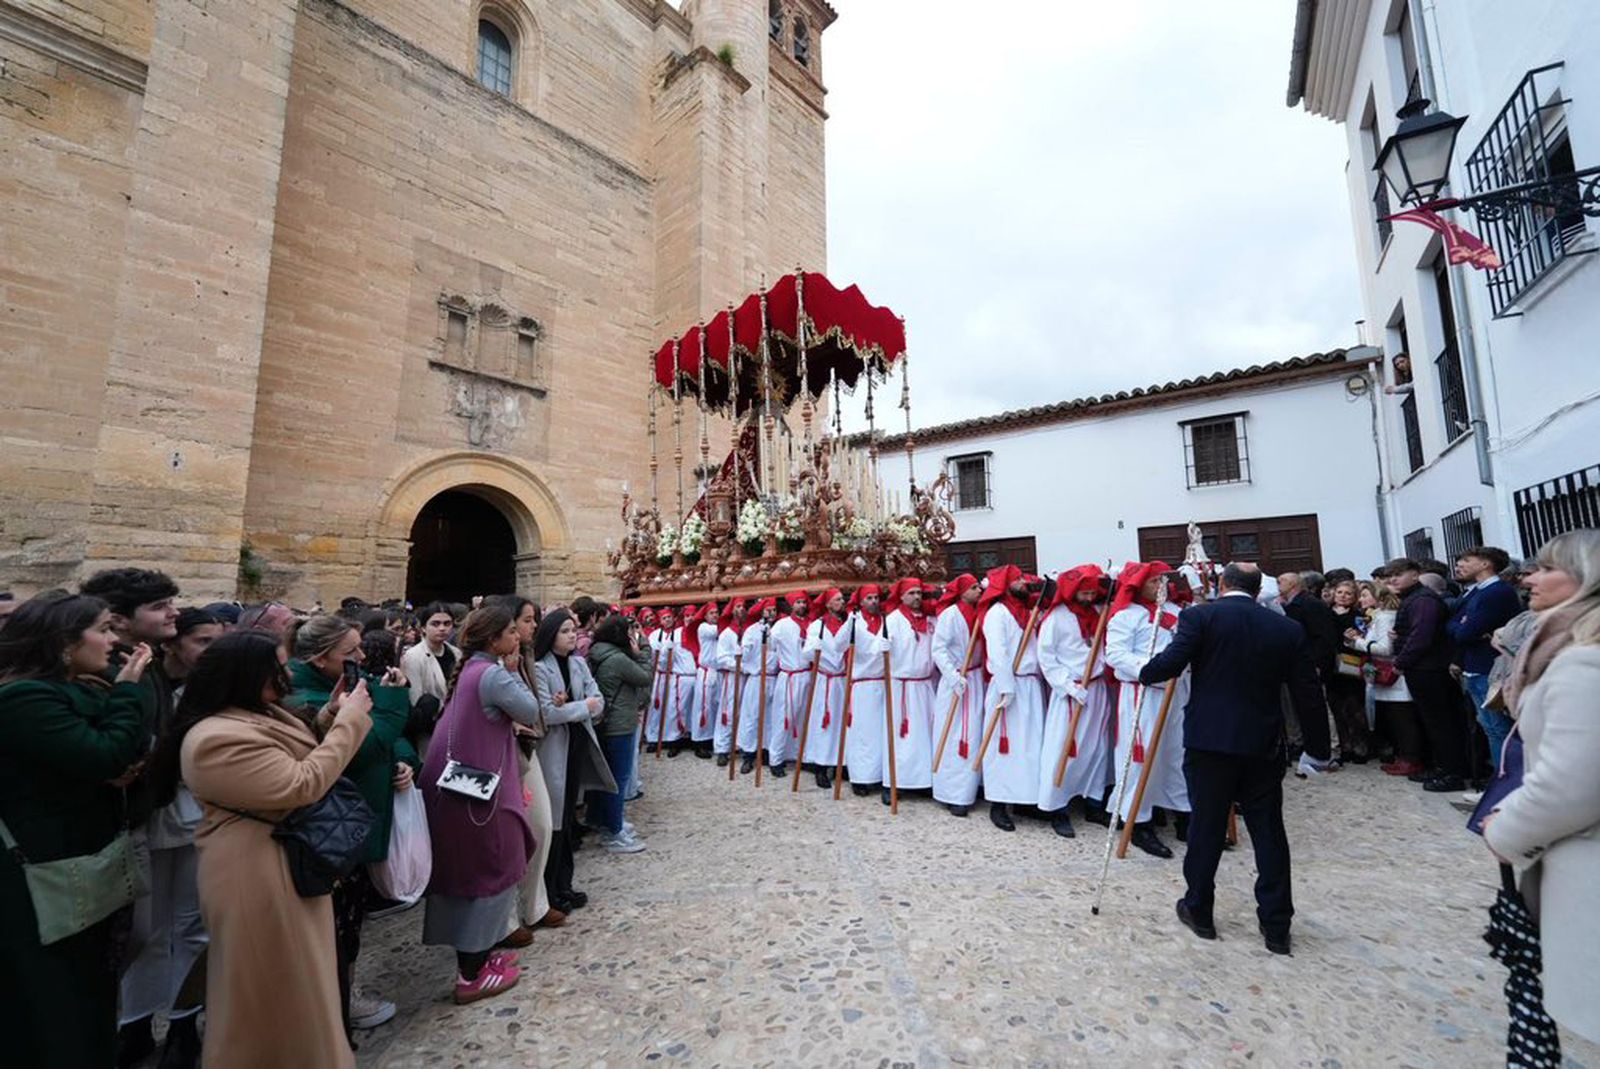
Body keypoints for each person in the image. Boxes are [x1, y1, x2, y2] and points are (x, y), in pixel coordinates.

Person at [159, 628, 374, 1067]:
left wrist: (332, 715)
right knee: (273, 996)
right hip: (255, 873)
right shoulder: (215, 737)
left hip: (281, 861)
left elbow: (296, 754)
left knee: (300, 986)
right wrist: (352, 721)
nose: (285, 673)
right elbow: (300, 783)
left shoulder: (255, 713)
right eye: (276, 665)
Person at [1140, 563, 1324, 956]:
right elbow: (1307, 690)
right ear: (1259, 591)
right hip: (1263, 741)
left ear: (1221, 584)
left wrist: (1145, 671)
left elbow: (1170, 664)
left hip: (1210, 740)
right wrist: (1318, 749)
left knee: (1206, 826)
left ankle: (1199, 909)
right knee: (1269, 832)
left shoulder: (1200, 617)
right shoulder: (1286, 627)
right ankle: (1276, 926)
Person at [0, 592, 151, 1066]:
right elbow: (106, 754)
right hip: (44, 869)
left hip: (78, 860)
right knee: (56, 998)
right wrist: (128, 689)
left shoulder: (74, 687)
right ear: (65, 641)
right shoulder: (25, 697)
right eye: (104, 629)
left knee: (88, 989)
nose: (113, 639)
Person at [1482, 529, 1600, 1051]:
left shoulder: (1582, 661)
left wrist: (1506, 830)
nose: (1528, 578)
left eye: (1544, 568)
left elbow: (1571, 784)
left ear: (1584, 576)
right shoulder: (1563, 645)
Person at [287, 615, 418, 1034]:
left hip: (353, 816)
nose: (361, 657)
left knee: (349, 915)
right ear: (321, 657)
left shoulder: (342, 683)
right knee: (335, 921)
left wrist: (404, 760)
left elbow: (382, 736)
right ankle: (336, 1004)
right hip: (329, 828)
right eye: (351, 652)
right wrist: (394, 701)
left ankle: (344, 994)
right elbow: (366, 741)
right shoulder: (305, 696)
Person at [418, 606, 538, 1004]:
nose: (517, 636)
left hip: (460, 788)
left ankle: (479, 959)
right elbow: (530, 710)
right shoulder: (491, 674)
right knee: (491, 870)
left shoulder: (471, 671)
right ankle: (471, 974)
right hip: (479, 794)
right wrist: (514, 668)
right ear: (492, 641)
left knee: (470, 873)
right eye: (510, 631)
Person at [119, 607, 222, 1068]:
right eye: (202, 641)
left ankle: (184, 1022)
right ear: (172, 644)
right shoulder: (148, 686)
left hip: (197, 815)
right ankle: (136, 1024)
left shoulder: (211, 689)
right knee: (150, 929)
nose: (210, 651)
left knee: (193, 925)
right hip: (153, 815)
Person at [483, 595, 560, 942]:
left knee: (541, 826)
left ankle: (534, 905)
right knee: (512, 836)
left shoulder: (526, 656)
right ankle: (508, 918)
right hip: (505, 754)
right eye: (526, 621)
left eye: (533, 621)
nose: (532, 627)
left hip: (528, 748)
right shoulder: (495, 667)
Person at [530, 609, 615, 914]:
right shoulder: (540, 668)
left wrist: (580, 707)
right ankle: (549, 889)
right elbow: (548, 713)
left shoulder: (579, 663)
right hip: (554, 749)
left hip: (577, 745)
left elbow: (599, 699)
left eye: (573, 630)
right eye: (565, 630)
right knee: (554, 820)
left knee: (567, 819)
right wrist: (583, 707)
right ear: (551, 634)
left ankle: (564, 883)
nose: (571, 636)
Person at [1104, 562, 1189, 857]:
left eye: (1163, 581)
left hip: (1177, 694)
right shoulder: (1126, 617)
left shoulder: (1178, 614)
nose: (1161, 587)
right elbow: (1115, 654)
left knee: (1176, 754)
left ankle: (1182, 814)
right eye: (1154, 582)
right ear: (1138, 586)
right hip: (1143, 695)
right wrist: (1152, 669)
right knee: (1139, 759)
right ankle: (1137, 822)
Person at [1037, 566, 1114, 837]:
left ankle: (1093, 802)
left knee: (1097, 748)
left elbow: (1104, 646)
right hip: (1071, 692)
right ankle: (1056, 808)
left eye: (1093, 592)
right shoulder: (1056, 618)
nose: (1090, 596)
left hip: (1096, 689)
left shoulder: (1097, 613)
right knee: (1065, 748)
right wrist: (1066, 686)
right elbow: (1046, 657)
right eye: (1085, 591)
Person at [1385, 558, 1465, 791]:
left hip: (1429, 669)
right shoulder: (1414, 599)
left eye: (1398, 574)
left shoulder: (1423, 600)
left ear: (1415, 574)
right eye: (1391, 575)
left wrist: (1401, 661)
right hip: (1422, 668)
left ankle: (1452, 773)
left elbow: (1422, 637)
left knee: (1440, 722)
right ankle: (1442, 767)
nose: (1393, 579)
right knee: (1432, 721)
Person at [979, 566, 1046, 833]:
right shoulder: (997, 614)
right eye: (1017, 579)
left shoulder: (1028, 611)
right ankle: (998, 802)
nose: (1022, 582)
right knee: (1003, 746)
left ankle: (1026, 799)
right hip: (1009, 684)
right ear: (1005, 584)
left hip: (1029, 683)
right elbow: (997, 651)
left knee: (1029, 745)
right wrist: (1006, 687)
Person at [1448, 545, 1522, 773]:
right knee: (1490, 728)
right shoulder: (1477, 592)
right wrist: (1464, 626)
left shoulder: (1497, 592)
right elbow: (1453, 624)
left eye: (1467, 560)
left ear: (1485, 563)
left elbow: (1465, 631)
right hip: (1475, 666)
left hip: (1489, 668)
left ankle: (1506, 783)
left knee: (1498, 729)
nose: (1460, 564)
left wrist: (1466, 627)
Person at [586, 613, 654, 853]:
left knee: (606, 777)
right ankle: (613, 831)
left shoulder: (599, 652)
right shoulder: (617, 659)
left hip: (607, 722)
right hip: (619, 724)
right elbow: (644, 676)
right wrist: (643, 651)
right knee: (618, 778)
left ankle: (601, 820)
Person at [1345, 584, 1422, 775]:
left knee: (1402, 720)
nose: (1360, 600)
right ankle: (1404, 757)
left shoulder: (1385, 617)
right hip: (1384, 677)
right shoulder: (1377, 616)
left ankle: (1410, 758)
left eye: (1364, 595)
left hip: (1393, 677)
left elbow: (1385, 648)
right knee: (1394, 720)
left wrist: (1357, 642)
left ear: (1377, 597)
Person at [875, 578, 937, 805]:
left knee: (924, 736)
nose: (917, 597)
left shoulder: (931, 620)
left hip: (924, 685)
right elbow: (877, 650)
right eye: (911, 593)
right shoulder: (892, 620)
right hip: (901, 687)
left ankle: (921, 781)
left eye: (919, 593)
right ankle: (893, 782)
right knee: (900, 737)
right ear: (901, 596)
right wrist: (881, 648)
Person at [930, 576, 985, 816]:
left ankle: (973, 787)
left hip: (975, 678)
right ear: (962, 592)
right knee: (954, 736)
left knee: (975, 733)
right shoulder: (950, 615)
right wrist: (953, 677)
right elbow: (938, 649)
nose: (978, 590)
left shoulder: (982, 612)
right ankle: (953, 793)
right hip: (956, 681)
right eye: (973, 588)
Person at [1276, 570, 1339, 774]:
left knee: (1314, 709)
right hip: (1298, 665)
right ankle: (1309, 748)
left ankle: (1320, 752)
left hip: (1310, 665)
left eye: (1282, 581)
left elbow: (1323, 637)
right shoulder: (1294, 604)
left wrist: (1318, 663)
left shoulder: (1310, 605)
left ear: (1294, 585)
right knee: (1303, 709)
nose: (1277, 584)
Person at [801, 589, 850, 790]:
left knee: (844, 723)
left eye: (842, 599)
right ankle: (820, 766)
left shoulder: (849, 623)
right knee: (824, 723)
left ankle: (843, 763)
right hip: (826, 681)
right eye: (838, 599)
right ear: (828, 604)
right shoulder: (817, 626)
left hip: (844, 680)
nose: (842, 602)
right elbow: (807, 652)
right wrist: (815, 649)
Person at [399, 601, 460, 761]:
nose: (442, 628)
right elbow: (415, 698)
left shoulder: (456, 653)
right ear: (424, 628)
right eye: (435, 624)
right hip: (429, 726)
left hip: (456, 724)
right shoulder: (414, 656)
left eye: (447, 624)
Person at [843, 586, 887, 795]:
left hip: (882, 682)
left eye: (876, 598)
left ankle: (878, 775)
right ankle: (860, 777)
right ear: (860, 601)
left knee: (880, 733)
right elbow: (838, 645)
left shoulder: (885, 620)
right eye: (869, 598)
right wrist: (848, 627)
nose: (873, 601)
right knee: (862, 734)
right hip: (862, 684)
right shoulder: (854, 621)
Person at [768, 592, 814, 779]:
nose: (801, 605)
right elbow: (771, 646)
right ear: (791, 605)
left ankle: (800, 756)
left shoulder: (812, 624)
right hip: (789, 677)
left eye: (804, 602)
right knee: (784, 718)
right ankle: (776, 759)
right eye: (798, 602)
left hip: (807, 675)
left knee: (804, 719)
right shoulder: (781, 625)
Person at [1325, 579, 1370, 763]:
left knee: (1355, 709)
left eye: (1348, 593)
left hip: (1352, 665)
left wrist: (1352, 639)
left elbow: (1362, 639)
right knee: (1337, 710)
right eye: (1340, 592)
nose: (1343, 596)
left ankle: (1361, 746)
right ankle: (1345, 747)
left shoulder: (1358, 616)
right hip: (1332, 666)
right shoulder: (1325, 614)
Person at [735, 599, 780, 775]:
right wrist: (745, 649)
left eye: (774, 610)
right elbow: (744, 655)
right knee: (752, 717)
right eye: (768, 610)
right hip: (757, 678)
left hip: (774, 678)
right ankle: (748, 754)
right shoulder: (753, 631)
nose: (772, 613)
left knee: (771, 717)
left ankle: (768, 751)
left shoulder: (779, 629)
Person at [712, 600, 747, 767]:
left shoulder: (750, 631)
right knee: (728, 712)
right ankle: (723, 749)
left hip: (748, 677)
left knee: (746, 712)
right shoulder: (726, 634)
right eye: (738, 607)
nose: (741, 610)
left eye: (743, 607)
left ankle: (740, 745)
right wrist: (738, 665)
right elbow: (721, 658)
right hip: (733, 677)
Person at [687, 601, 721, 759]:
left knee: (715, 707)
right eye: (712, 613)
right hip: (706, 672)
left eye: (717, 613)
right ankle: (699, 741)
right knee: (703, 708)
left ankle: (712, 739)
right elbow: (719, 631)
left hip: (718, 672)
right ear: (705, 616)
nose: (715, 615)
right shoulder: (704, 628)